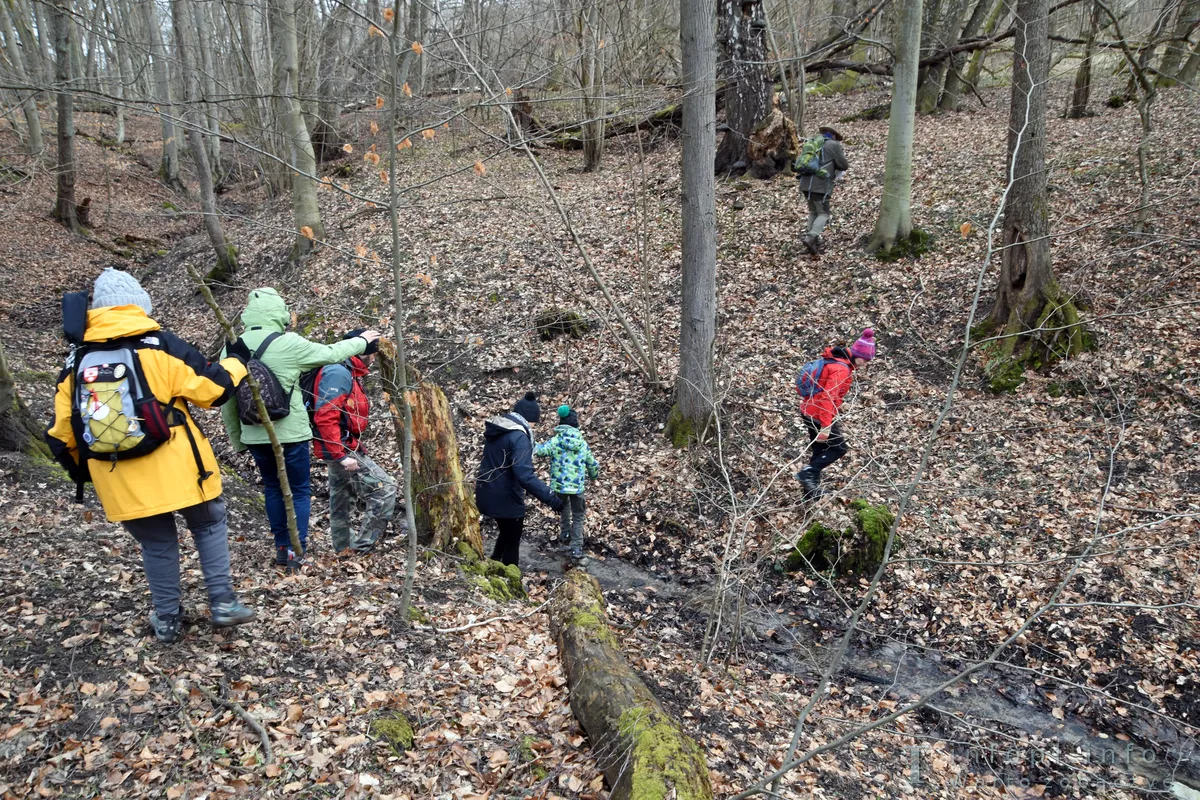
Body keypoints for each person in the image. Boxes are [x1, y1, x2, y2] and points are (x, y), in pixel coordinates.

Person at [45, 268, 255, 643]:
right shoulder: (160, 346)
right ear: (139, 306)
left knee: (157, 543)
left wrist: (93, 474)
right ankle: (223, 603)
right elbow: (213, 389)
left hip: (118, 476)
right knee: (208, 525)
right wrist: (238, 360)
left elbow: (61, 436)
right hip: (183, 469)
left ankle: (168, 620)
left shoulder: (76, 363)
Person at [220, 287, 380, 566]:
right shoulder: (288, 342)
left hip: (255, 433)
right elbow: (331, 354)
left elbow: (227, 401)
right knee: (298, 491)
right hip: (290, 433)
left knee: (272, 488)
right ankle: (297, 550)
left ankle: (283, 548)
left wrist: (238, 439)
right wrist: (362, 342)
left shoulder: (231, 346)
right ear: (280, 314)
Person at [309, 330, 397, 554]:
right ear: (363, 351)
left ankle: (344, 549)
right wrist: (340, 455)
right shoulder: (338, 372)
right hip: (341, 447)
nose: (375, 358)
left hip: (340, 445)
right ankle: (360, 549)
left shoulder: (346, 371)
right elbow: (325, 415)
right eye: (374, 353)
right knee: (385, 489)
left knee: (342, 497)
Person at [474, 392, 563, 566]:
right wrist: (551, 498)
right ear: (528, 419)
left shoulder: (498, 431)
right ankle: (510, 580)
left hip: (485, 492)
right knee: (512, 542)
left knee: (506, 531)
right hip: (505, 497)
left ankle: (494, 562)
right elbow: (525, 475)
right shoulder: (519, 437)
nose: (533, 427)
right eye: (533, 423)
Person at [796, 328, 876, 499]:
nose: (866, 364)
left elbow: (829, 395)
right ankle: (807, 474)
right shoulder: (842, 370)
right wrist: (826, 426)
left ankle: (810, 492)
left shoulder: (836, 362)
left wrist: (838, 405)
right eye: (866, 360)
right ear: (858, 355)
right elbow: (827, 398)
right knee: (839, 448)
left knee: (819, 450)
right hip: (818, 414)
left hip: (809, 410)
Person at [535, 405, 599, 560]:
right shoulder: (582, 443)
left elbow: (540, 451)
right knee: (578, 515)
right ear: (576, 425)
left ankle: (565, 534)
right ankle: (576, 547)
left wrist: (530, 441)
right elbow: (592, 464)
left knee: (563, 508)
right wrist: (594, 476)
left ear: (561, 424)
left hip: (560, 486)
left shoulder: (556, 441)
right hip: (577, 488)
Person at [796, 125, 850, 256]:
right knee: (824, 213)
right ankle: (812, 237)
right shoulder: (833, 145)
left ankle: (812, 241)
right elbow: (843, 165)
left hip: (805, 183)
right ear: (834, 135)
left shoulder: (812, 142)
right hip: (820, 185)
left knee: (813, 211)